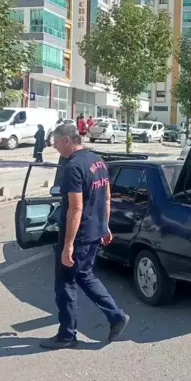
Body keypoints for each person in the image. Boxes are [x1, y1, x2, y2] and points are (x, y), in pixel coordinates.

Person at [41, 124, 129, 350]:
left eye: (56, 142)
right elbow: (107, 197)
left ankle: (67, 335)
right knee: (85, 275)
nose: (55, 146)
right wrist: (104, 226)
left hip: (78, 234)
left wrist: (68, 245)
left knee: (65, 283)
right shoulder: (97, 160)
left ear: (68, 141)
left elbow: (75, 209)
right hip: (93, 230)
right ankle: (116, 316)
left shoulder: (73, 167)